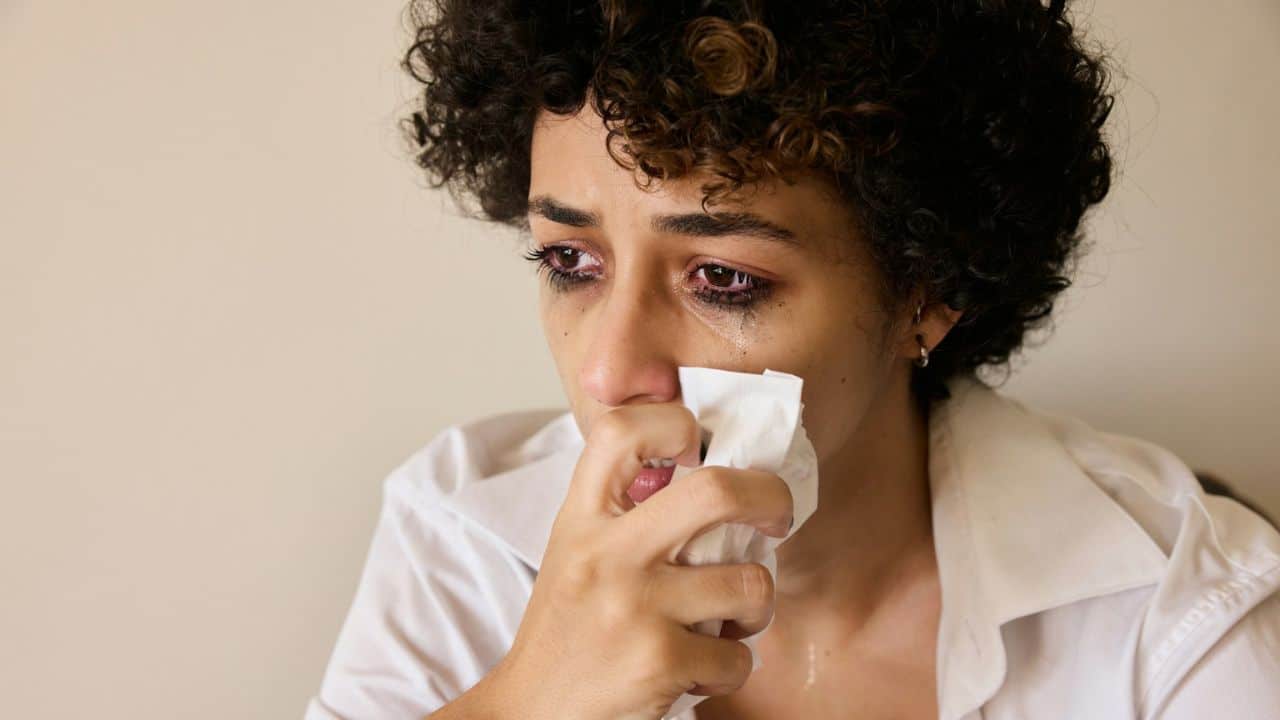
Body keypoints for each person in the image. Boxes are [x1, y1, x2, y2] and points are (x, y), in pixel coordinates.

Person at [304, 1, 1280, 718]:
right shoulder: (462, 545)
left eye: (723, 278)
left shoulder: (1174, 605)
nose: (607, 374)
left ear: (924, 289)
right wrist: (526, 703)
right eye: (570, 260)